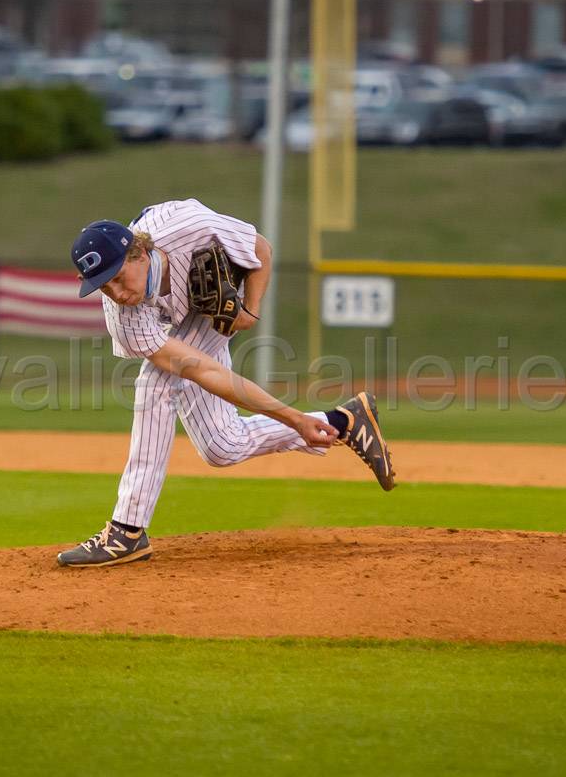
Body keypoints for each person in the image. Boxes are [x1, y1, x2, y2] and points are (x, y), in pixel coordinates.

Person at [57, 199, 395, 568]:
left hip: (204, 315)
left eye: (119, 278)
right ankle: (344, 421)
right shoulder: (124, 316)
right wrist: (295, 419)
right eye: (104, 287)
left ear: (140, 252)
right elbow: (205, 372)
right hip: (186, 323)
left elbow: (261, 248)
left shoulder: (190, 227)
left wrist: (250, 308)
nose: (117, 293)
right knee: (222, 446)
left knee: (155, 385)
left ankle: (127, 531)